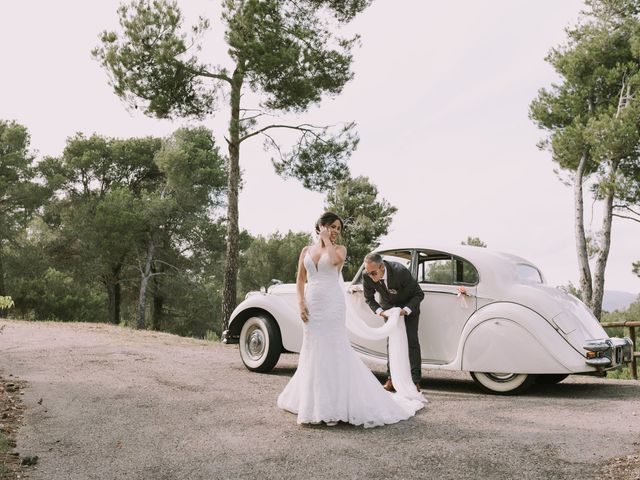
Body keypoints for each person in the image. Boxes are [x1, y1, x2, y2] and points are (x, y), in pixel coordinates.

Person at [277, 212, 425, 427]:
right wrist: (300, 303)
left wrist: (327, 239)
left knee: (333, 348)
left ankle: (335, 405)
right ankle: (312, 403)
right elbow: (300, 279)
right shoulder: (305, 251)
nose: (336, 231)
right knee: (312, 348)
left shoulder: (339, 250)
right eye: (333, 226)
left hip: (332, 305)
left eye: (338, 228)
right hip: (312, 304)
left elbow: (336, 262)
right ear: (321, 225)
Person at [362, 252, 424, 392]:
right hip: (388, 309)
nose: (370, 276)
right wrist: (380, 311)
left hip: (408, 306)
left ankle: (415, 381)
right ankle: (391, 379)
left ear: (382, 267)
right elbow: (369, 298)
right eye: (368, 272)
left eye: (373, 273)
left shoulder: (400, 271)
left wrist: (405, 310)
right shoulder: (367, 275)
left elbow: (419, 294)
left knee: (411, 341)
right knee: (392, 343)